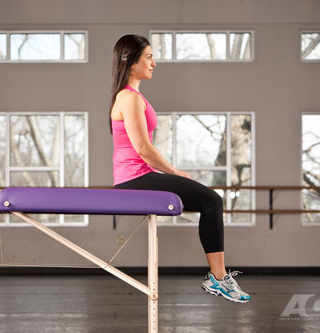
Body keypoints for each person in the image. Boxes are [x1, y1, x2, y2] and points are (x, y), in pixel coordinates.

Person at [110, 34, 251, 303]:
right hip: (135, 178)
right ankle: (218, 279)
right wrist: (174, 172)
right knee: (212, 200)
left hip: (138, 176)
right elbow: (142, 148)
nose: (154, 63)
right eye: (149, 57)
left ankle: (218, 277)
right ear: (131, 61)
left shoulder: (133, 97)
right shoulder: (129, 99)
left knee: (208, 201)